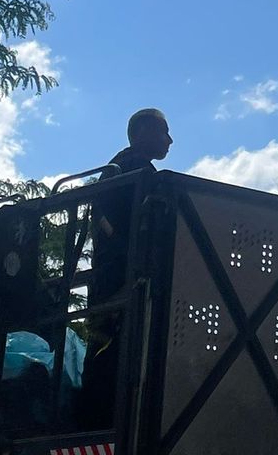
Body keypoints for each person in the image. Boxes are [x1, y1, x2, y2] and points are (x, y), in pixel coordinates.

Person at [81, 108, 173, 429]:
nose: (170, 140)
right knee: (122, 357)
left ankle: (92, 421)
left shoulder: (114, 168)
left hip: (107, 281)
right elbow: (152, 231)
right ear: (143, 132)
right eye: (164, 131)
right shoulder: (138, 170)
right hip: (125, 282)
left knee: (100, 354)